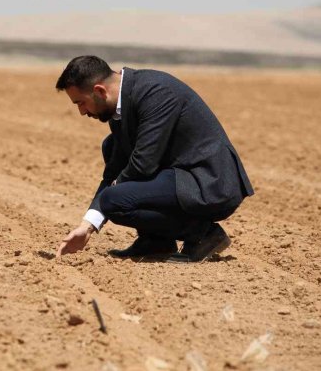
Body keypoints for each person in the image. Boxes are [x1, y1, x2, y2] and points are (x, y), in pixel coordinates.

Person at [55, 56, 253, 262]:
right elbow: (115, 170)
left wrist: (114, 190)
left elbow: (143, 164)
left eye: (81, 103)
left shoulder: (156, 92)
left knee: (114, 200)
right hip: (180, 174)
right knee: (112, 146)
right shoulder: (121, 104)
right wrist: (87, 226)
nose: (81, 111)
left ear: (99, 91)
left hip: (209, 180)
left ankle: (203, 234)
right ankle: (155, 241)